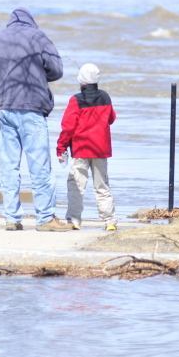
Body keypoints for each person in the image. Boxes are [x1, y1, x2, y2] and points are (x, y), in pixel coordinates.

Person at [0, 8, 72, 232]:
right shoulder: (38, 37)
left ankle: (11, 218)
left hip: (4, 107)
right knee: (39, 166)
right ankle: (45, 218)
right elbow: (57, 70)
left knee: (9, 166)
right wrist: (38, 73)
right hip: (31, 107)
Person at [56, 63, 118, 231]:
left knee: (76, 185)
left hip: (81, 149)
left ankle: (74, 220)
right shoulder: (105, 97)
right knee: (102, 186)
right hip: (100, 149)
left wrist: (61, 147)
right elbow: (111, 118)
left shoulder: (76, 100)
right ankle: (109, 221)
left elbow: (68, 127)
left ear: (80, 80)